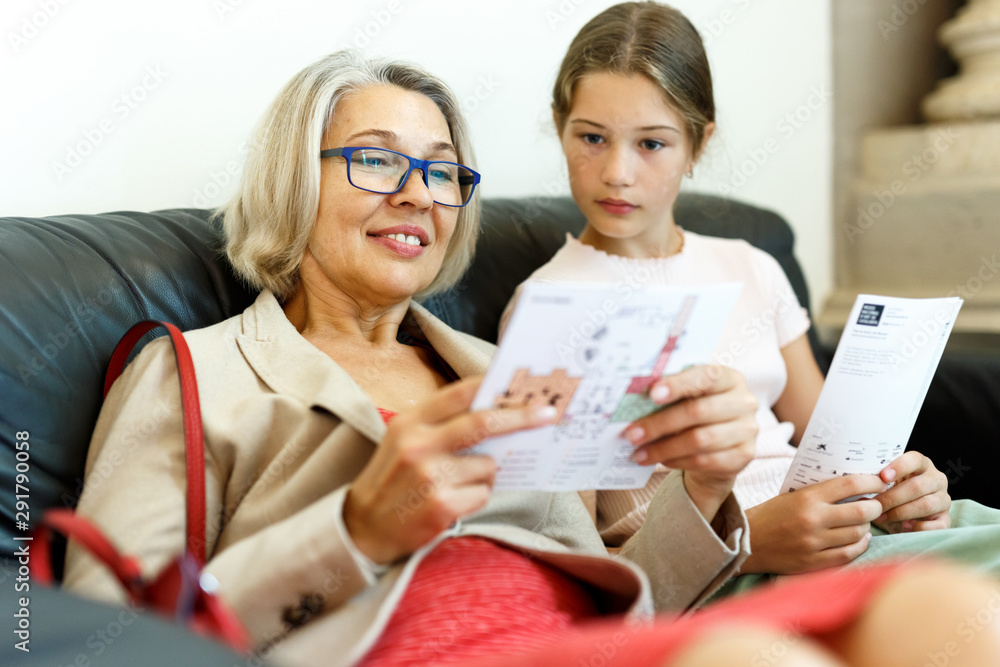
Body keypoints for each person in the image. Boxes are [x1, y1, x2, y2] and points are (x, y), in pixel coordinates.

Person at [62, 49, 1000, 667]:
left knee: (930, 608)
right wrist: (357, 529)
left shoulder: (500, 367)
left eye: (440, 171)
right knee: (744, 660)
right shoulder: (192, 370)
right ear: (289, 179)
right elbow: (100, 644)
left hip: (590, 645)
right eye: (378, 160)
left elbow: (634, 588)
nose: (419, 194)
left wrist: (705, 487)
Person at [500, 0, 1000, 598]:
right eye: (592, 138)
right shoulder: (551, 306)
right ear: (560, 127)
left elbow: (835, 449)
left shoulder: (751, 265)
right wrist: (749, 541)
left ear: (698, 145)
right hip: (724, 569)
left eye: (651, 144)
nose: (617, 173)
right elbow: (578, 560)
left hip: (836, 529)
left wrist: (900, 490)